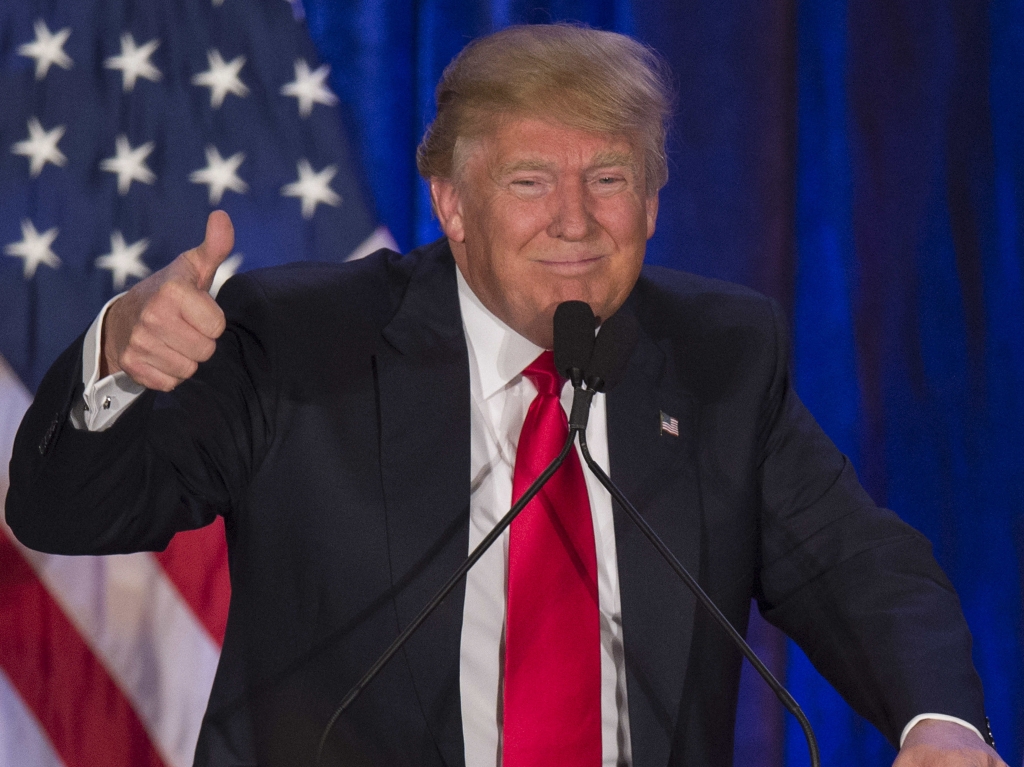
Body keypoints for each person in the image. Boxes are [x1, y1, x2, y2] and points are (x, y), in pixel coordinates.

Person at [5, 23, 1006, 767]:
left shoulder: (716, 357)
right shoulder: (302, 340)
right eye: (530, 179)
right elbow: (65, 510)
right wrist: (114, 361)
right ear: (453, 204)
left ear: (653, 200)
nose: (574, 220)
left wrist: (940, 723)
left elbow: (854, 564)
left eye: (609, 176)